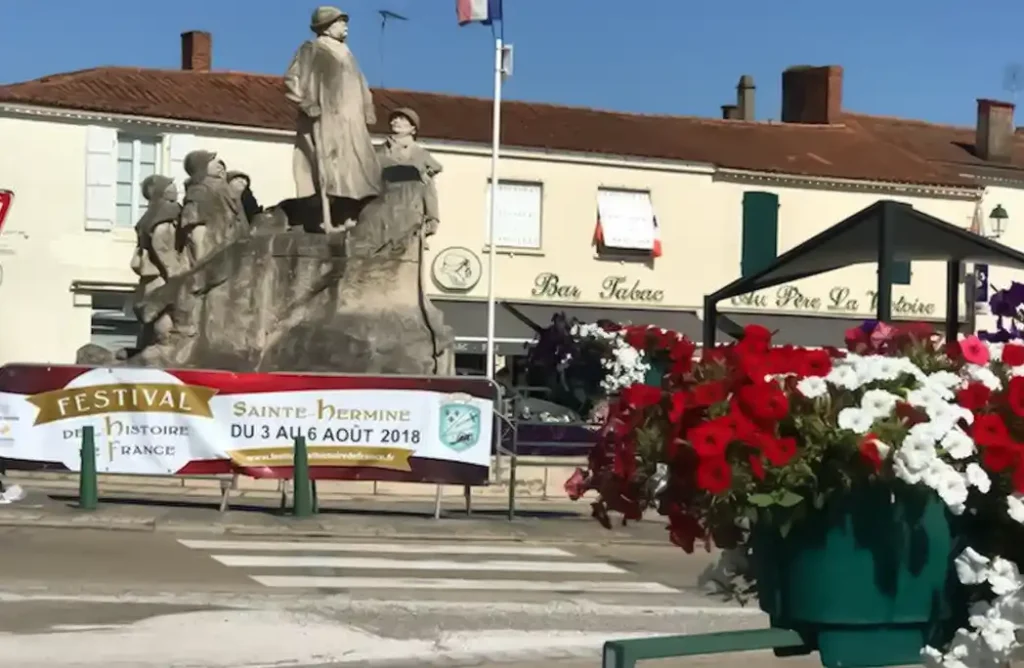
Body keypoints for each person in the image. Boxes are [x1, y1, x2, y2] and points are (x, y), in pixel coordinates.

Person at [284, 6, 382, 229]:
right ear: (326, 27)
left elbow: (361, 83)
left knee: (356, 167)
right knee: (329, 167)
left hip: (352, 118)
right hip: (327, 116)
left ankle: (350, 213)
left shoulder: (348, 53)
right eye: (339, 22)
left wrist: (368, 107)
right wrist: (306, 103)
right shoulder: (312, 48)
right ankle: (326, 219)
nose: (345, 26)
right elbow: (292, 79)